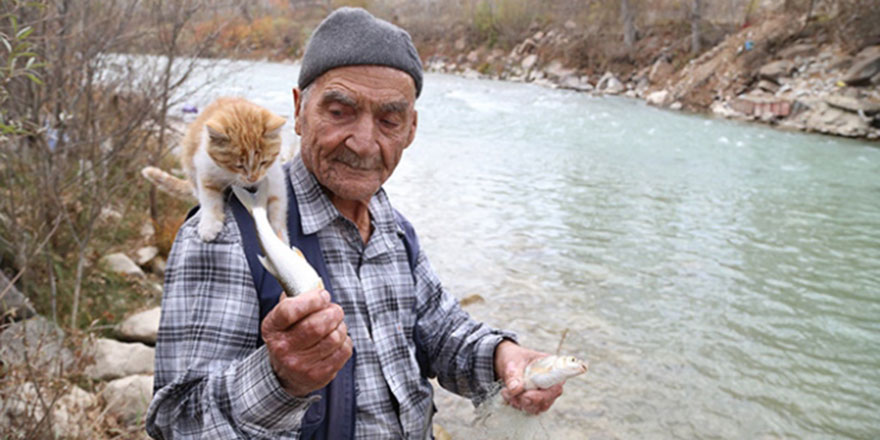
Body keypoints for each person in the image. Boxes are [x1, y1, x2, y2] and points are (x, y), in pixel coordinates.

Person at [146, 7, 566, 439]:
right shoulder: (225, 237)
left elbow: (440, 333)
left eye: (389, 120)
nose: (364, 143)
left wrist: (503, 358)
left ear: (411, 129)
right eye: (339, 111)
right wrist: (279, 379)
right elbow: (177, 422)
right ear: (299, 110)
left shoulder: (394, 229)